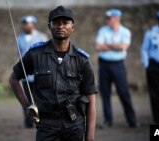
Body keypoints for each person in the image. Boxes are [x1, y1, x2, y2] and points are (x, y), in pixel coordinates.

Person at [10, 6, 97, 141]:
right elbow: (14, 78)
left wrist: (90, 136)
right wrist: (26, 106)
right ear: (49, 26)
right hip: (46, 126)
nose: (60, 26)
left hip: (74, 124)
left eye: (65, 22)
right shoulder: (35, 54)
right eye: (56, 22)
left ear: (72, 27)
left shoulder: (82, 60)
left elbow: (91, 99)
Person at [95, 9, 138, 128]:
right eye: (107, 18)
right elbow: (98, 47)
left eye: (109, 18)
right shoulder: (103, 30)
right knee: (105, 93)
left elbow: (124, 47)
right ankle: (108, 120)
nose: (107, 20)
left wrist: (107, 46)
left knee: (124, 92)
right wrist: (115, 46)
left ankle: (132, 120)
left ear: (117, 18)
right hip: (104, 65)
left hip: (118, 65)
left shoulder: (125, 31)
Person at [17, 15, 48, 128]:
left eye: (28, 23)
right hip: (26, 75)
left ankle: (42, 120)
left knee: (40, 98)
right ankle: (28, 122)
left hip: (39, 74)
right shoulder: (19, 38)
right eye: (24, 23)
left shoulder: (42, 36)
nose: (26, 25)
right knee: (26, 99)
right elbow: (19, 54)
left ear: (33, 24)